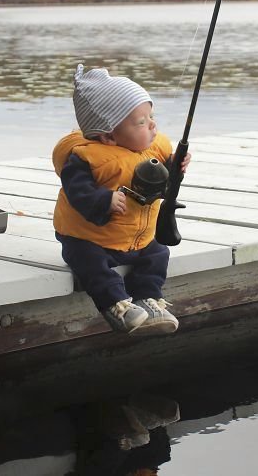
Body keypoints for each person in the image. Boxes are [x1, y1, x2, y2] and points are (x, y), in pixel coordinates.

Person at [53, 64, 190, 334]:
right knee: (89, 262)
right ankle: (116, 306)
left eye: (151, 116)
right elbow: (77, 191)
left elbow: (165, 184)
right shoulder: (84, 158)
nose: (152, 125)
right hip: (90, 238)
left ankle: (149, 299)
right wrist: (104, 200)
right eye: (140, 122)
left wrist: (176, 167)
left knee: (158, 253)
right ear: (108, 136)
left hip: (136, 237)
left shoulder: (154, 147)